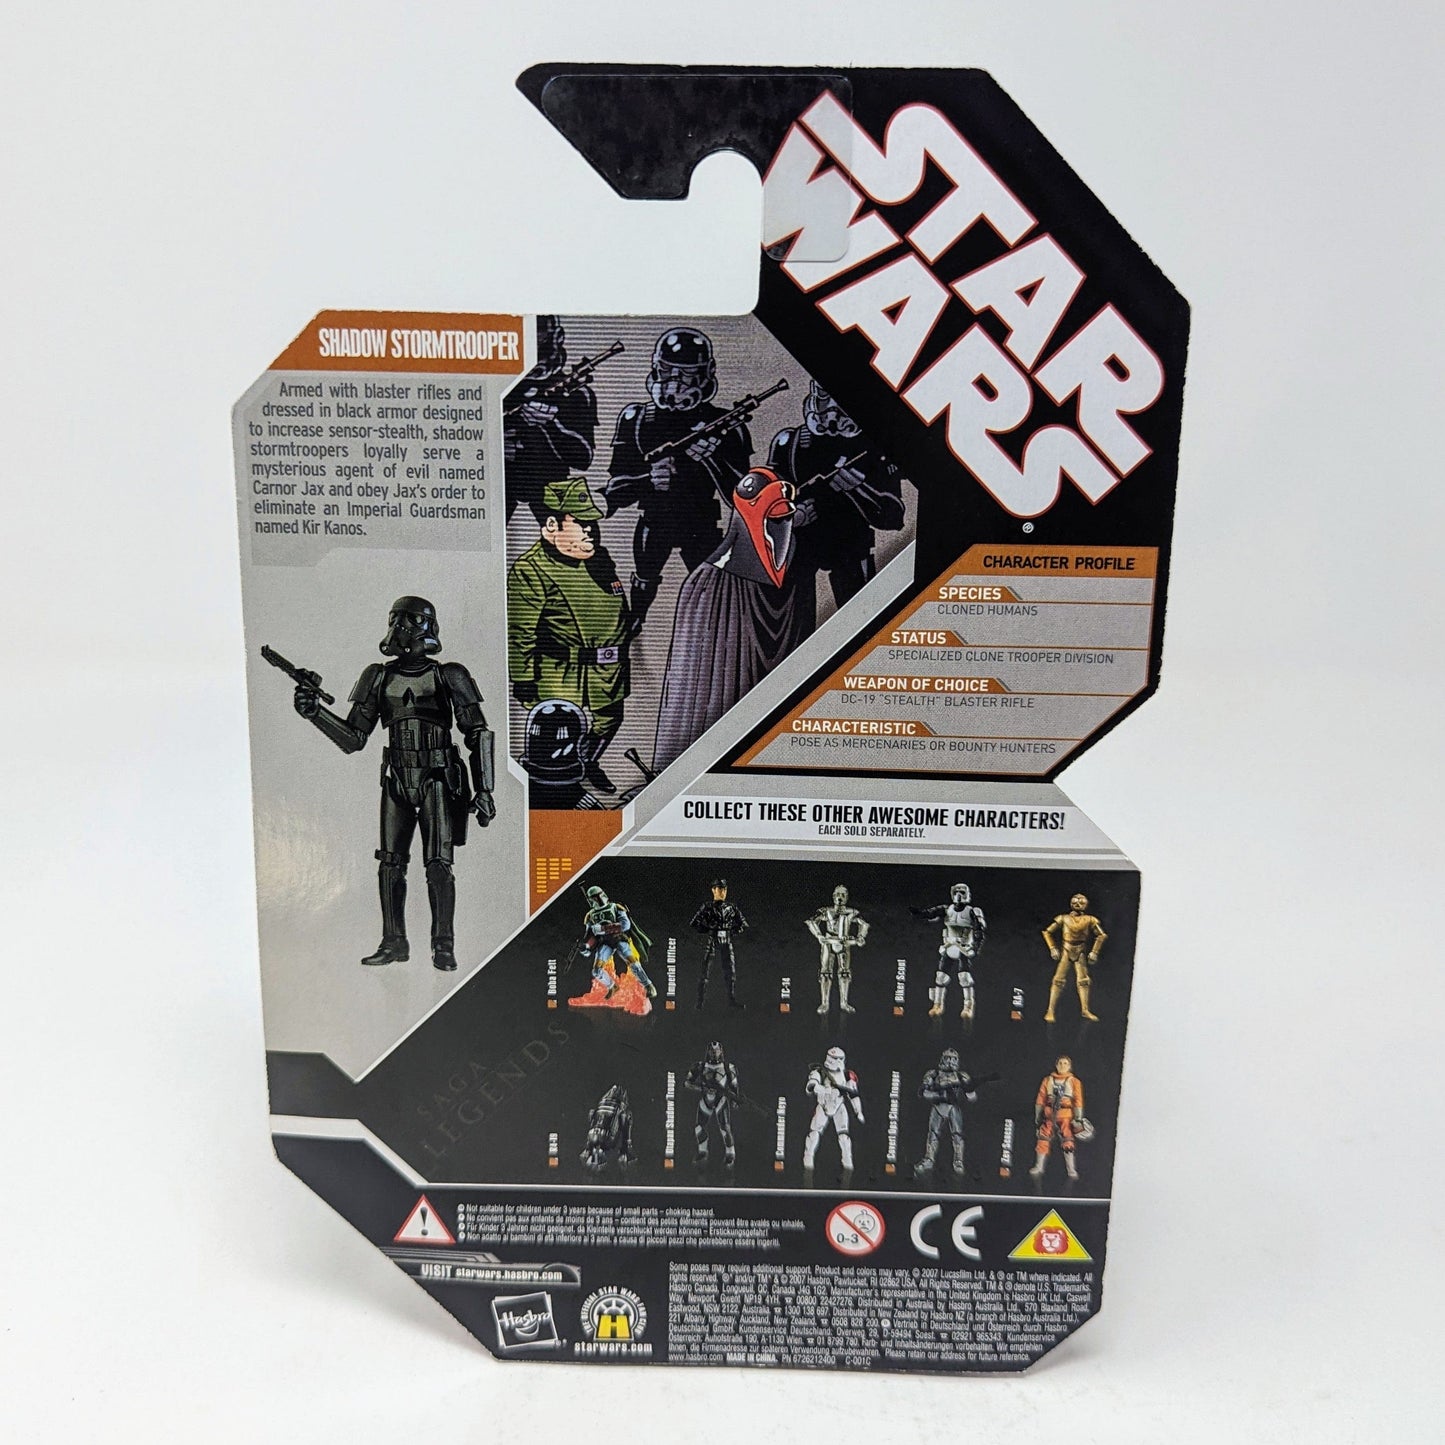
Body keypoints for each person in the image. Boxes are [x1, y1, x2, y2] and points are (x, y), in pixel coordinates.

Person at [282, 597, 495, 971]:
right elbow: (353, 738)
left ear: (426, 627)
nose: (400, 628)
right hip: (396, 778)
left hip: (438, 778)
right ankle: (394, 942)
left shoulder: (449, 675)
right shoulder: (378, 676)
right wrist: (315, 713)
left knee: (438, 865)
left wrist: (485, 790)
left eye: (408, 621)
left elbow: (478, 732)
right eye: (395, 620)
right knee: (390, 865)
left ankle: (443, 945)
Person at [603, 327, 752, 634]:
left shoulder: (725, 424)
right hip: (654, 520)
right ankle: (632, 626)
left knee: (712, 592)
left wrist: (713, 458)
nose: (675, 383)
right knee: (643, 584)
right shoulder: (636, 419)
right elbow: (616, 487)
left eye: (687, 374)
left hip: (701, 523)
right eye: (667, 371)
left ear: (706, 374)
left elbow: (742, 498)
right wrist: (648, 480)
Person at [506, 477, 630, 794]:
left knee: (608, 721)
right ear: (552, 526)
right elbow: (521, 631)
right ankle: (551, 782)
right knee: (558, 729)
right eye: (581, 523)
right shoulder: (530, 569)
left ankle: (585, 764)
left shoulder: (598, 559)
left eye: (592, 524)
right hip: (561, 672)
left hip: (607, 671)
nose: (590, 531)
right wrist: (523, 678)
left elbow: (615, 601)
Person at [767, 381, 905, 615]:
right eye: (824, 395)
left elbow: (894, 517)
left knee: (863, 618)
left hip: (850, 549)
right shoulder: (789, 443)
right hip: (800, 553)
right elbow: (766, 504)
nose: (831, 408)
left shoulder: (873, 446)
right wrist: (793, 516)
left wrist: (858, 489)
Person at [502, 315, 598, 521]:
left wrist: (551, 424)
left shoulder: (574, 391)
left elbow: (583, 458)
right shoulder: (498, 389)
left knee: (582, 536)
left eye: (539, 345)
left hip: (551, 481)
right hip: (500, 480)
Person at [911, 882, 988, 1019]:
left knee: (964, 978)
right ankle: (937, 1004)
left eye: (962, 892)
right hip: (948, 946)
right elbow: (930, 913)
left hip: (964, 948)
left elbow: (979, 931)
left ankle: (968, 1006)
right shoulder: (947, 909)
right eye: (956, 892)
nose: (958, 895)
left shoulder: (972, 911)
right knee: (940, 977)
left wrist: (976, 948)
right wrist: (919, 913)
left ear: (967, 894)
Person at [806, 884, 869, 1016]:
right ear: (833, 896)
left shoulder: (852, 912)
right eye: (838, 895)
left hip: (844, 942)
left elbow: (864, 924)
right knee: (825, 972)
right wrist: (819, 935)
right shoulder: (826, 911)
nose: (840, 898)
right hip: (829, 942)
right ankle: (825, 1002)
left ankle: (844, 1002)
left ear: (846, 897)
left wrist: (861, 936)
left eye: (843, 895)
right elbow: (811, 921)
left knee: (845, 972)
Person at [1042, 893, 1107, 1022]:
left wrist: (1095, 951)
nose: (1078, 904)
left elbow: (1101, 935)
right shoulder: (1063, 918)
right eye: (1075, 902)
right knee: (1058, 980)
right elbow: (1047, 932)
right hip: (1066, 950)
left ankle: (1085, 1010)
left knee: (1083, 980)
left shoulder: (1090, 919)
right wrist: (1052, 948)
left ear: (1086, 904)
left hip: (1080, 951)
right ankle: (1050, 1010)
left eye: (1081, 902)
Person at [914, 1048, 977, 1178]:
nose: (950, 1062)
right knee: (933, 1133)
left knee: (957, 1134)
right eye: (948, 1058)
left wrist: (966, 1087)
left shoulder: (961, 1076)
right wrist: (938, 1094)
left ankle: (958, 1161)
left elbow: (971, 1096)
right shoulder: (933, 1074)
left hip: (953, 1106)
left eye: (953, 1059)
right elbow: (923, 1092)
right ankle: (929, 1158)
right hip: (938, 1105)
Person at [690, 878, 748, 1010]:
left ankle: (731, 1000)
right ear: (713, 890)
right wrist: (709, 929)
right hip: (712, 940)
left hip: (726, 941)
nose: (722, 892)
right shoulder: (707, 907)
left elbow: (743, 924)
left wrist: (731, 931)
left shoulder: (731, 907)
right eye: (720, 889)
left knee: (730, 972)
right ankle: (699, 1002)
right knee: (704, 972)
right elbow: (694, 923)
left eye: (724, 889)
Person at [803, 1046, 864, 1173]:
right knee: (814, 1135)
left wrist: (858, 1111)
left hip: (839, 1105)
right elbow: (811, 1086)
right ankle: (808, 1159)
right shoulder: (820, 1071)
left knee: (844, 1137)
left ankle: (847, 1163)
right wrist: (823, 1089)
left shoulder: (847, 1075)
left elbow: (853, 1094)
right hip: (823, 1105)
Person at [684, 1042, 739, 1166]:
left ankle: (730, 1154)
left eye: (717, 1050)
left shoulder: (728, 1067)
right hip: (706, 1099)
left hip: (721, 1099)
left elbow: (734, 1087)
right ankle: (703, 1151)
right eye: (712, 1051)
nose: (714, 1053)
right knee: (699, 1128)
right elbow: (687, 1083)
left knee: (725, 1128)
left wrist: (735, 1100)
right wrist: (702, 1088)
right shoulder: (700, 1066)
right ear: (708, 1052)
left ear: (721, 1051)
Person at [1031, 1056, 1085, 1181]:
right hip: (1048, 1116)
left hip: (1066, 1116)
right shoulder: (1047, 1080)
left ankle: (1071, 1169)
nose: (1062, 1065)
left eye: (1065, 1063)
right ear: (1056, 1065)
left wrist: (1078, 1118)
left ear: (1069, 1066)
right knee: (1042, 1139)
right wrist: (1038, 1114)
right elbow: (1041, 1098)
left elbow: (1078, 1100)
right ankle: (1039, 1166)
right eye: (1060, 1063)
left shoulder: (1074, 1081)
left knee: (1068, 1141)